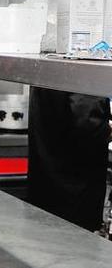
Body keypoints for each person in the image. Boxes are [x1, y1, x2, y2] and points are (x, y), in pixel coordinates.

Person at [28, 87, 111, 232]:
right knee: (75, 248)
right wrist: (107, 130)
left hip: (45, 184)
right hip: (73, 191)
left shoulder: (49, 64)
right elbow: (88, 122)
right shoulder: (83, 67)